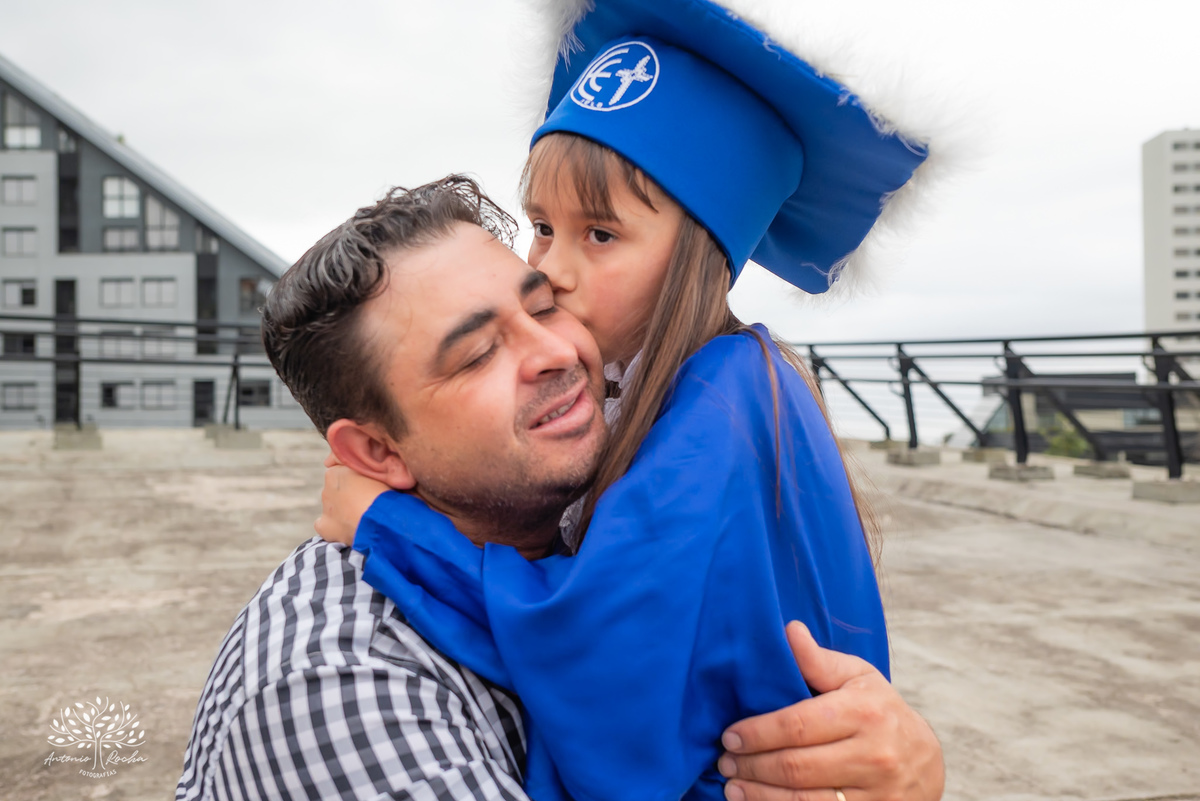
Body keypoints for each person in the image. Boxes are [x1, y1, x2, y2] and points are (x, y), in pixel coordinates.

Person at [312, 2, 946, 800]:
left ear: (696, 256)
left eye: (600, 235)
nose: (553, 268)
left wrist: (389, 526)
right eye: (542, 226)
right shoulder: (742, 383)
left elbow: (594, 644)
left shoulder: (718, 401)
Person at [176, 178, 942, 801]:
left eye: (543, 305)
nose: (555, 350)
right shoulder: (338, 692)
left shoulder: (627, 489)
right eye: (477, 354)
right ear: (375, 450)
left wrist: (893, 776)